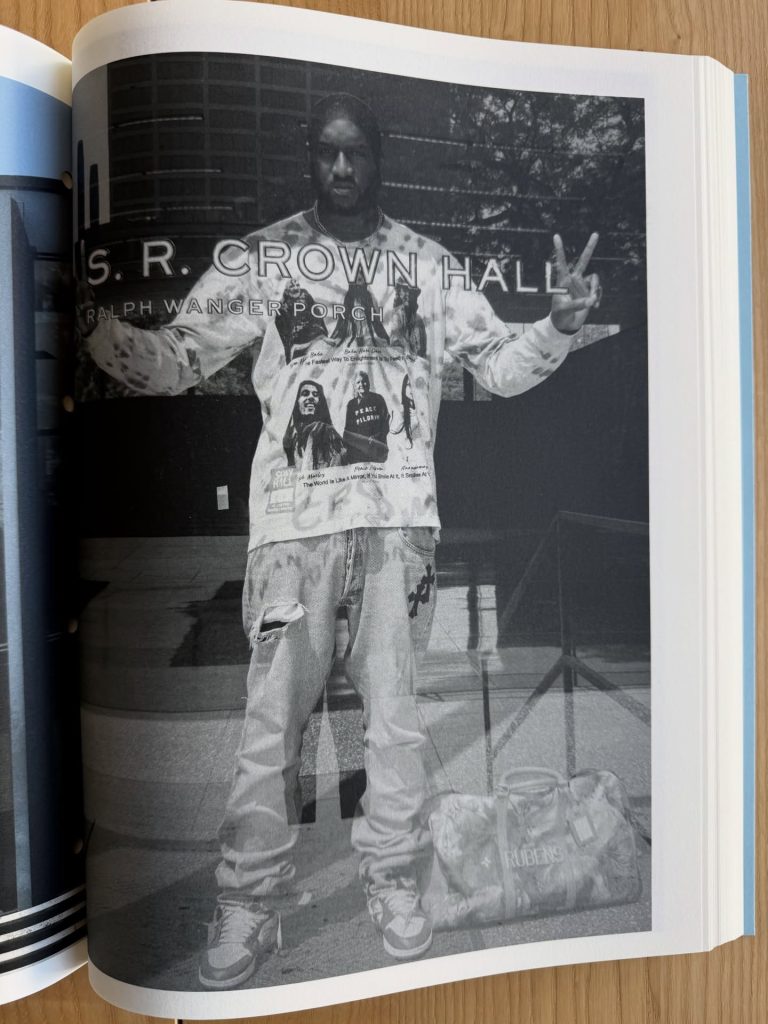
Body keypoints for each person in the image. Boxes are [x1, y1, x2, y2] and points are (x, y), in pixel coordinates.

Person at [80, 92, 601, 989]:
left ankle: (392, 879)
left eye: (358, 152)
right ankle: (249, 901)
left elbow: (499, 370)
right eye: (328, 153)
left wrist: (553, 326)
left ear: (380, 158)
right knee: (267, 736)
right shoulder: (266, 258)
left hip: (399, 533)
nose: (344, 169)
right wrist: (89, 325)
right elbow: (173, 359)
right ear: (309, 162)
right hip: (293, 535)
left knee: (395, 733)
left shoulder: (427, 267)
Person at [283, 379, 346, 469]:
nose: (311, 397)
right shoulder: (292, 439)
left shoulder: (329, 434)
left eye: (315, 395)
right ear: (297, 401)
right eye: (305, 393)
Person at [342, 370, 390, 463]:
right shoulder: (351, 404)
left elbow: (386, 423)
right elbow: (348, 430)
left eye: (364, 381)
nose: (362, 384)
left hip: (378, 450)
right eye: (358, 382)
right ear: (355, 386)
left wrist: (377, 437)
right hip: (360, 453)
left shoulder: (378, 399)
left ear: (368, 383)